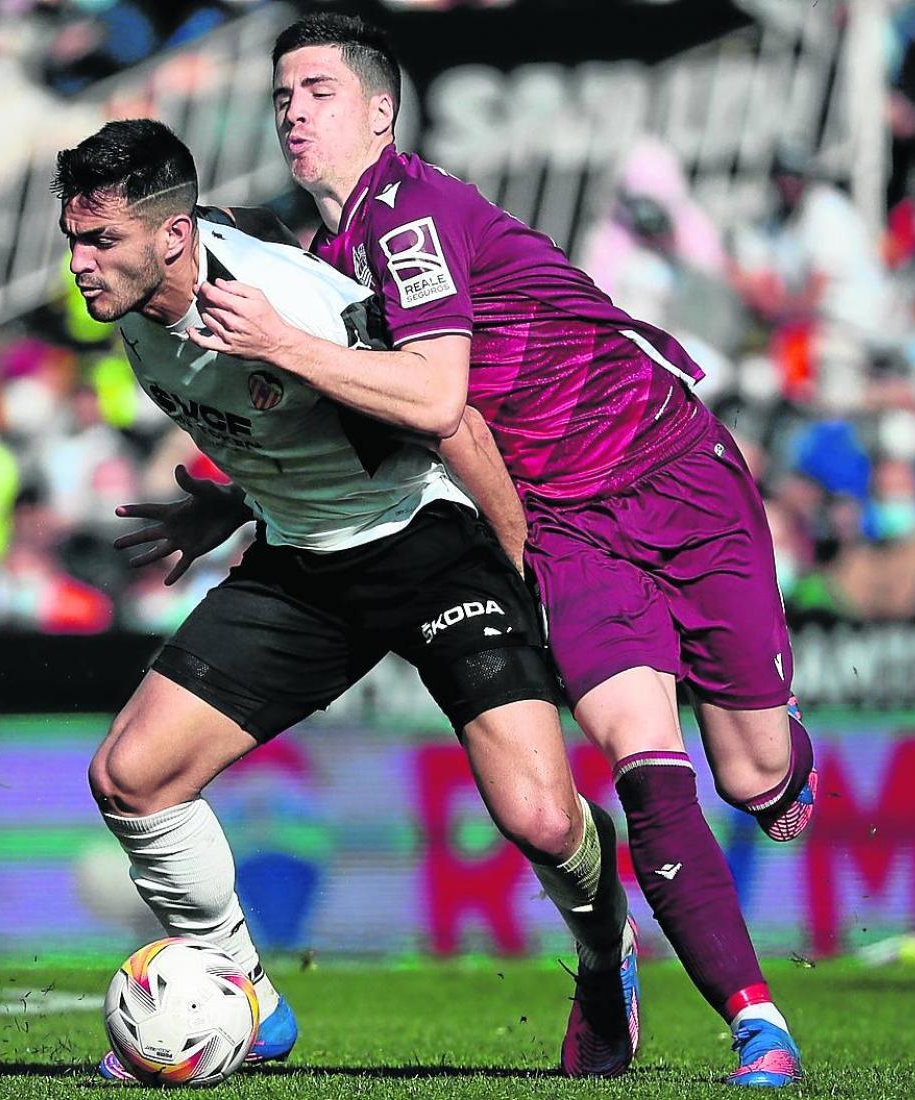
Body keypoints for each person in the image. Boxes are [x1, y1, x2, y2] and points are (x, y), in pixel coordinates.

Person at [185, 14, 813, 1088]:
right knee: (639, 762)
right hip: (562, 521)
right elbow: (365, 430)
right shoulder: (327, 264)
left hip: (674, 469)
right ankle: (760, 1026)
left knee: (756, 777)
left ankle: (781, 752)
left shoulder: (410, 213)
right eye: (283, 94)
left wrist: (280, 344)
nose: (294, 109)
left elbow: (433, 393)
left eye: (320, 89)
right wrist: (234, 499)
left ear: (380, 111)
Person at [51, 119, 637, 1082]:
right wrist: (231, 510)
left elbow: (443, 415)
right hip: (305, 563)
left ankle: (605, 961)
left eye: (99, 241)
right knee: (131, 777)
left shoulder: (287, 304)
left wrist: (529, 571)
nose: (79, 264)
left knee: (539, 818)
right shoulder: (137, 309)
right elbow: (285, 427)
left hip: (434, 545)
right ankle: (246, 997)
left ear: (171, 236)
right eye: (74, 240)